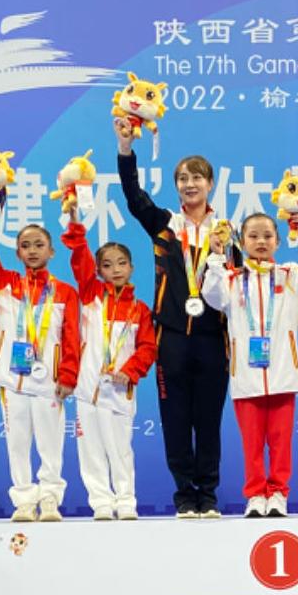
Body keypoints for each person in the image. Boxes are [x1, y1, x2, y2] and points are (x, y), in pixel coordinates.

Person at [114, 118, 227, 518]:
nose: (189, 184)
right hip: (172, 338)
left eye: (196, 177)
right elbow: (133, 196)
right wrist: (125, 149)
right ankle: (184, 495)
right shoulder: (164, 225)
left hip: (213, 338)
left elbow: (237, 290)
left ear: (210, 184)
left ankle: (208, 495)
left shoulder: (225, 233)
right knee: (175, 418)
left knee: (209, 420)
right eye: (182, 178)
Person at [202, 212, 298, 517]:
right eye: (253, 236)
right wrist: (216, 255)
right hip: (246, 377)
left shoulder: (290, 275)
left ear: (278, 241)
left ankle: (279, 493)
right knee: (252, 445)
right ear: (242, 242)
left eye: (267, 236)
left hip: (283, 375)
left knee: (281, 443)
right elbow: (210, 295)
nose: (261, 242)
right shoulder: (230, 280)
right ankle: (255, 494)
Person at [0, 225, 80, 522]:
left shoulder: (65, 292)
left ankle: (49, 498)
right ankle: (23, 499)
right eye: (25, 245)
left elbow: (71, 337)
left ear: (51, 251)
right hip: (12, 380)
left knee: (51, 443)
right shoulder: (4, 283)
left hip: (49, 382)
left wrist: (68, 375)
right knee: (17, 443)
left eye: (38, 244)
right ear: (17, 253)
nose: (32, 251)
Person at [65, 216, 157, 520]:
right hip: (87, 391)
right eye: (107, 265)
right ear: (98, 270)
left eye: (121, 263)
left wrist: (130, 371)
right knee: (91, 450)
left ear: (131, 267)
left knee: (120, 450)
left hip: (119, 391)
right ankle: (101, 502)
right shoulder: (91, 296)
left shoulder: (140, 309)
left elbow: (148, 348)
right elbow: (79, 255)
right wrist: (75, 221)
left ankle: (126, 500)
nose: (115, 269)